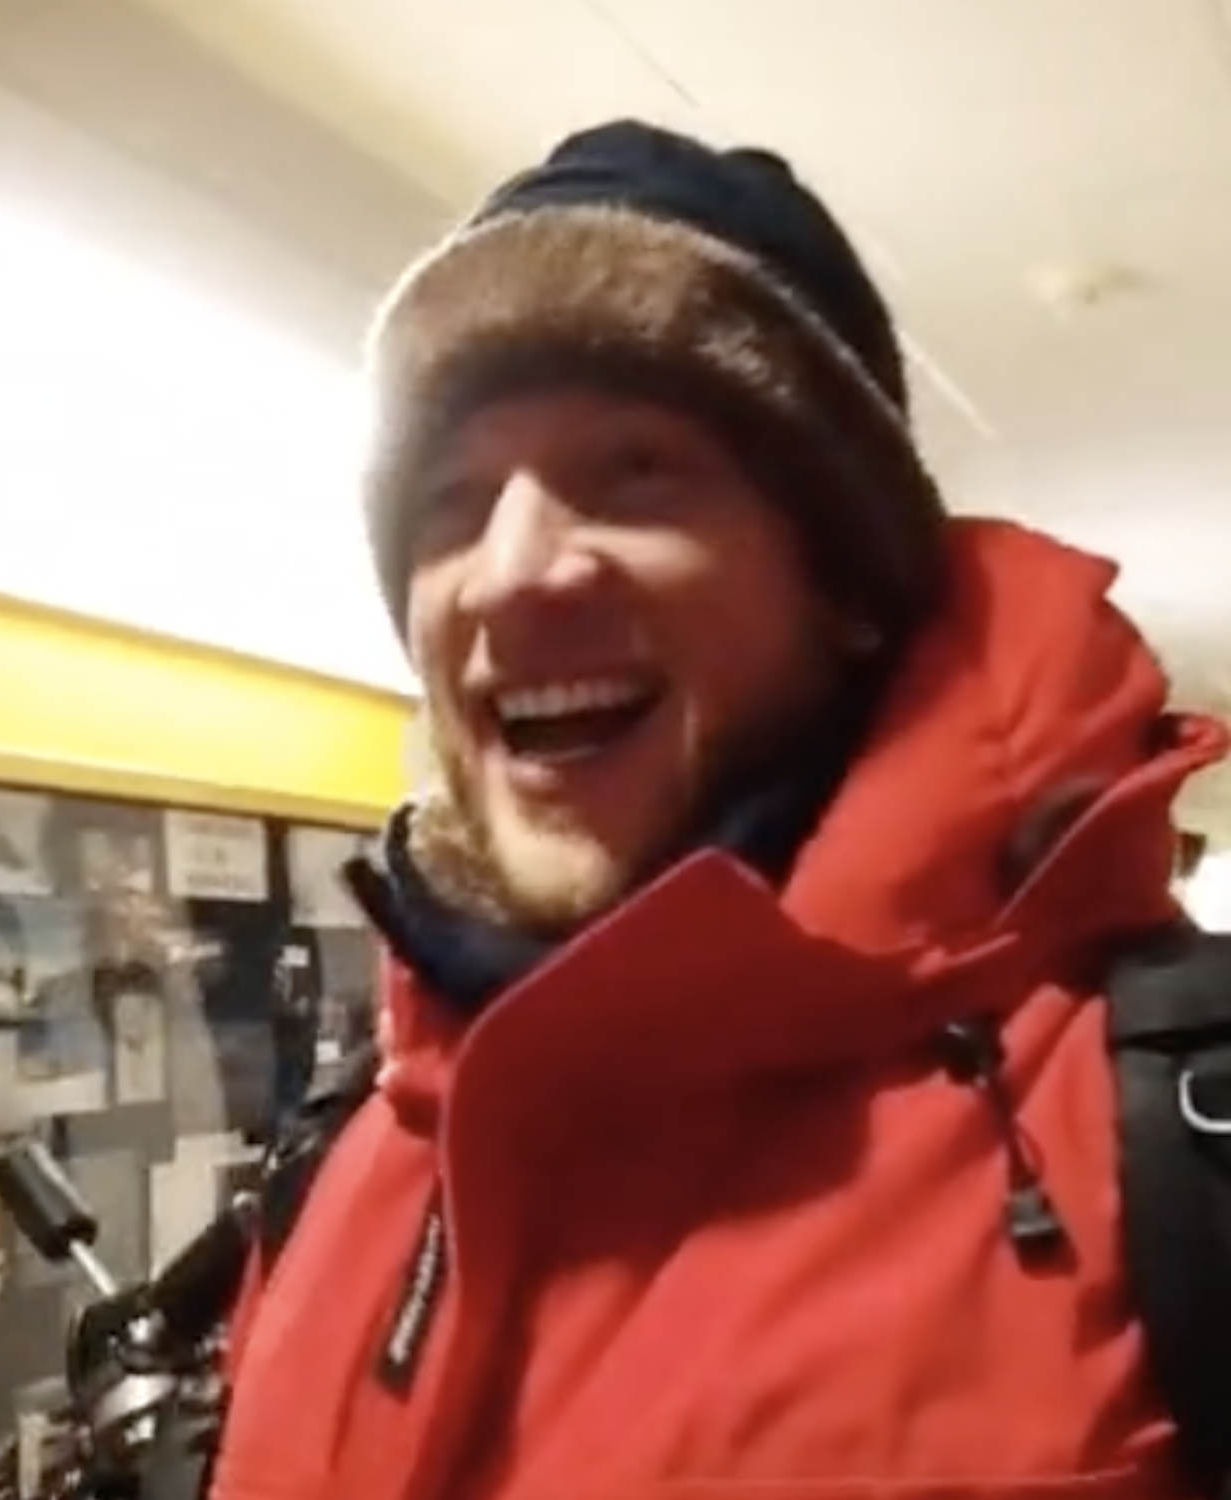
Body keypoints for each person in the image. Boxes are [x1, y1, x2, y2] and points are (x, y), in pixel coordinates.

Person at [206, 121, 1229, 1500]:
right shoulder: (344, 1163)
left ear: (847, 583)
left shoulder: (1167, 1144)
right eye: (450, 501)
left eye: (638, 470)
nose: (511, 571)